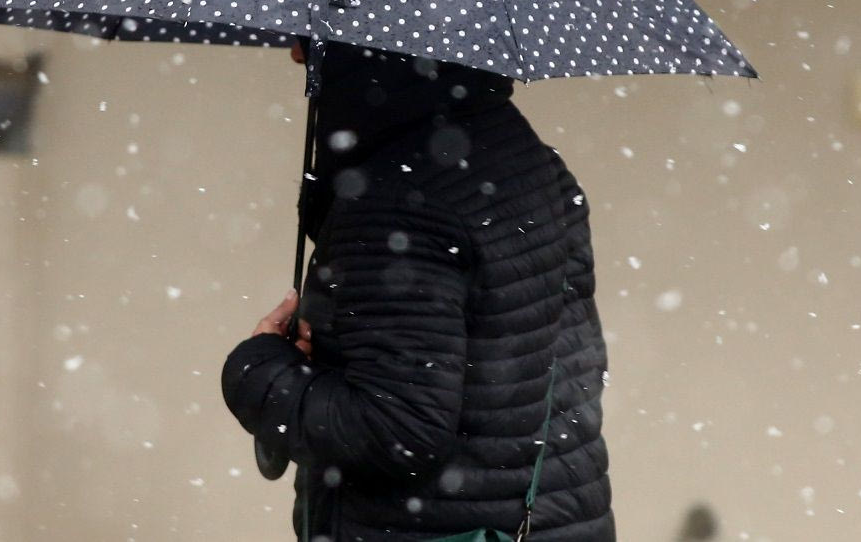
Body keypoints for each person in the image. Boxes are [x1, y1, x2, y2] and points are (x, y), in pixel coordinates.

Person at [221, 40, 615, 541]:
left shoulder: (394, 204)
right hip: (559, 522)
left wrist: (259, 372)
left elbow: (399, 433)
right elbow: (565, 374)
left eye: (314, 32)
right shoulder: (520, 152)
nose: (296, 53)